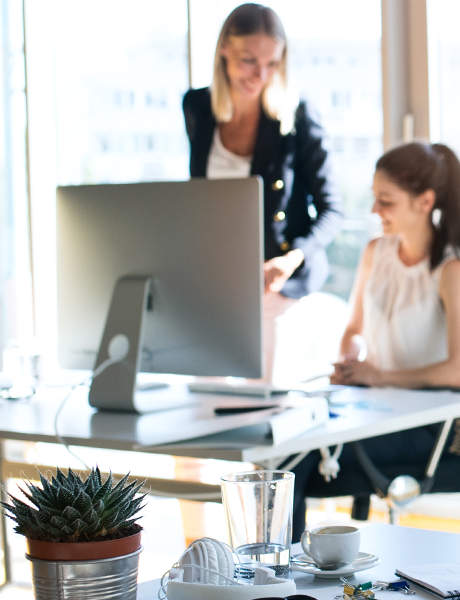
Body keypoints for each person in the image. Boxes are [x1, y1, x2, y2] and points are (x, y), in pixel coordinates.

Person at [288, 142, 460, 541]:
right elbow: (353, 330)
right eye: (375, 198)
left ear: (424, 202)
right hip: (375, 408)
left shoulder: (452, 269)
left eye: (386, 201)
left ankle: (274, 568)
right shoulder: (376, 252)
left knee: (293, 460)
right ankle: (274, 565)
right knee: (284, 441)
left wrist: (379, 377)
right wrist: (349, 365)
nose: (375, 210)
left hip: (428, 426)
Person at [182, 3, 342, 382]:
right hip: (219, 274)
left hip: (279, 277)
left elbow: (332, 210)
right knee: (205, 389)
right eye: (249, 61)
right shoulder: (198, 107)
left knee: (263, 394)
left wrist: (291, 259)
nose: (261, 75)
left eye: (272, 63)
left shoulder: (298, 116)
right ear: (224, 49)